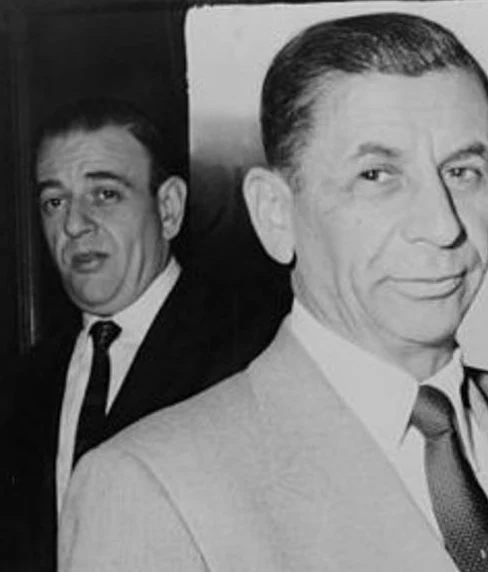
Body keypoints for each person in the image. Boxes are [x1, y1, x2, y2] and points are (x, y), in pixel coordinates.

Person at [59, 13, 488, 572]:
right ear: (275, 214)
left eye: (463, 171)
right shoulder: (150, 488)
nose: (442, 225)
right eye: (377, 175)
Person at [2, 99, 286, 571]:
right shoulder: (25, 381)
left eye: (104, 194)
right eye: (54, 202)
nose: (73, 224)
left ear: (169, 208)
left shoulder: (254, 348)